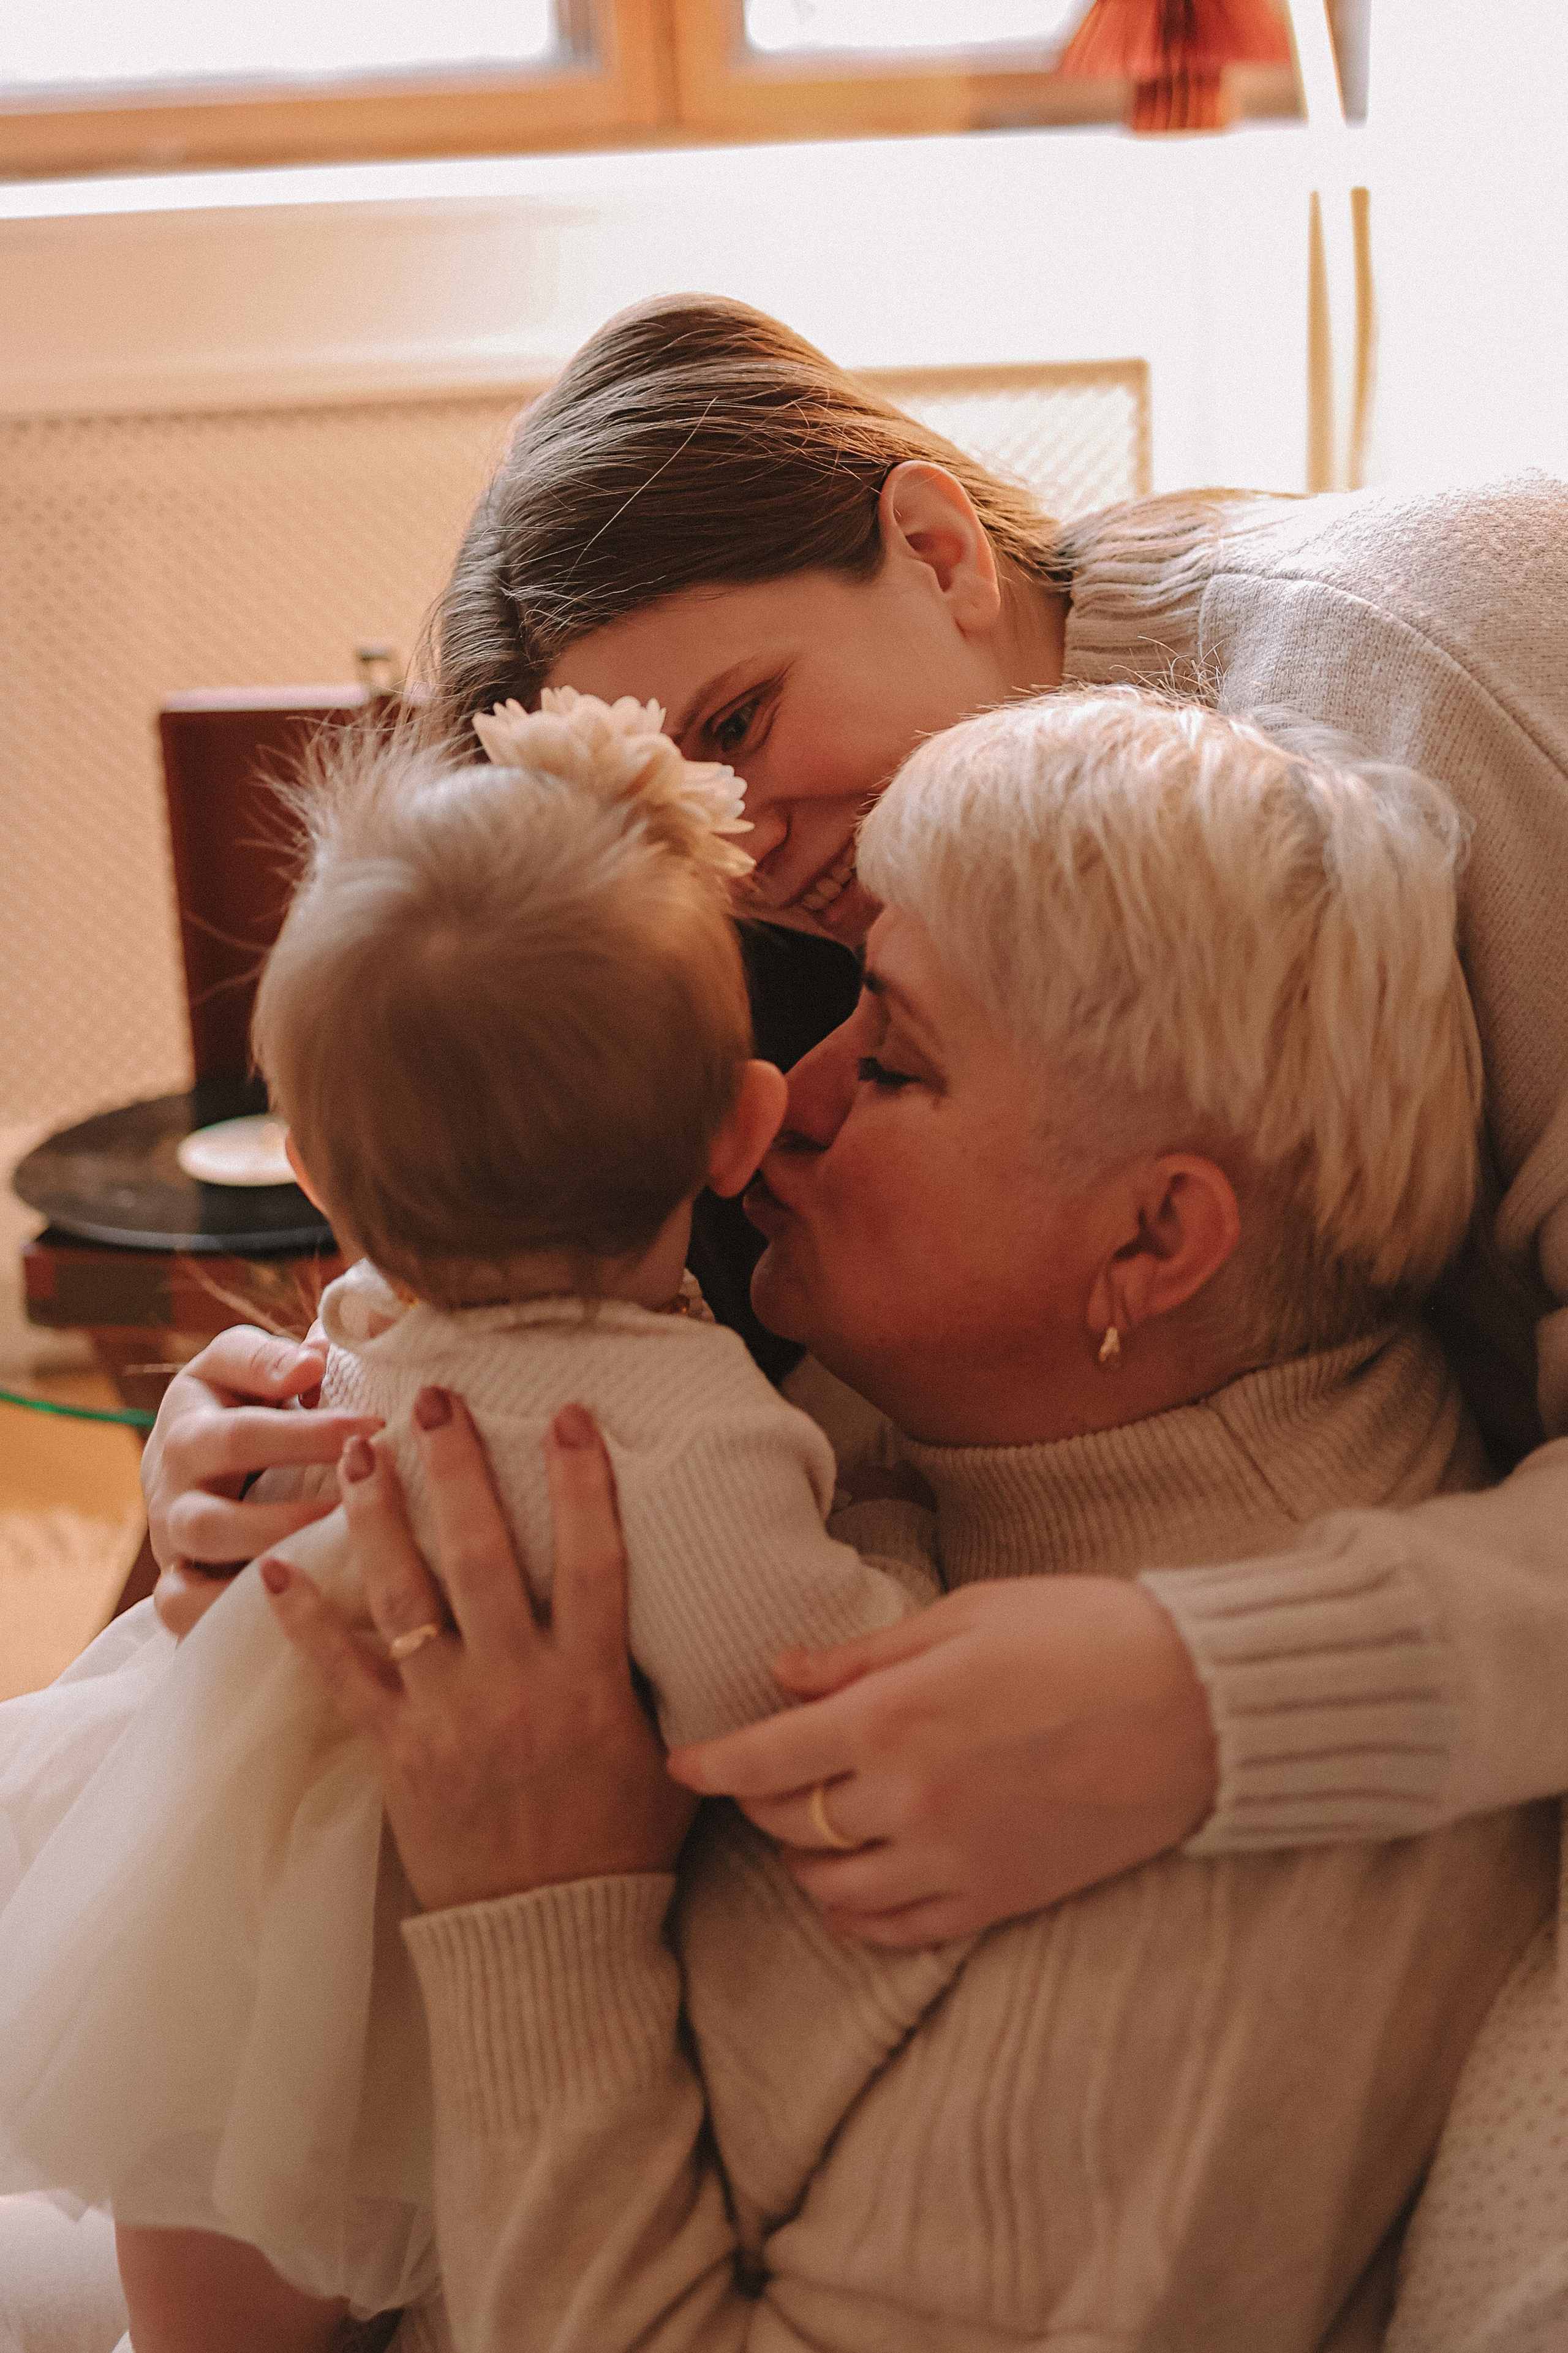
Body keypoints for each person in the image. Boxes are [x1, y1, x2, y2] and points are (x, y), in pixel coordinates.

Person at [144, 294, 1568, 1958]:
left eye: (739, 723)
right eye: (673, 808)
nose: (738, 850)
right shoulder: (773, 927)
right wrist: (291, 1471)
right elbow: (641, 1399)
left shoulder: (1424, 671)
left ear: (937, 546)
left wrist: (1201, 1690)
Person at [266, 692, 1555, 2351]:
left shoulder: (1204, 1884)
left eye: (889, 1056)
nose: (783, 1099)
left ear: (1155, 1237)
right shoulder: (1000, 1411)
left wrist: (540, 1908)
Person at [0, 692, 937, 2351]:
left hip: (207, 1897)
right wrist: (901, 1541)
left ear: (318, 1179)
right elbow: (793, 1686)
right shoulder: (688, 1435)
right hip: (430, 1976)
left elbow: (245, 1562)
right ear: (743, 1125)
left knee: (199, 2227)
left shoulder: (355, 1331)